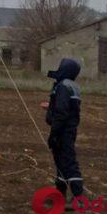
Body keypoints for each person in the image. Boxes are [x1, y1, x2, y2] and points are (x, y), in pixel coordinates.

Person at [45, 57, 84, 200]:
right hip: (67, 130)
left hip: (63, 131)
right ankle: (59, 196)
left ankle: (79, 198)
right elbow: (67, 108)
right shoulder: (72, 85)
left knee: (68, 162)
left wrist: (54, 134)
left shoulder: (63, 86)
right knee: (61, 162)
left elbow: (62, 112)